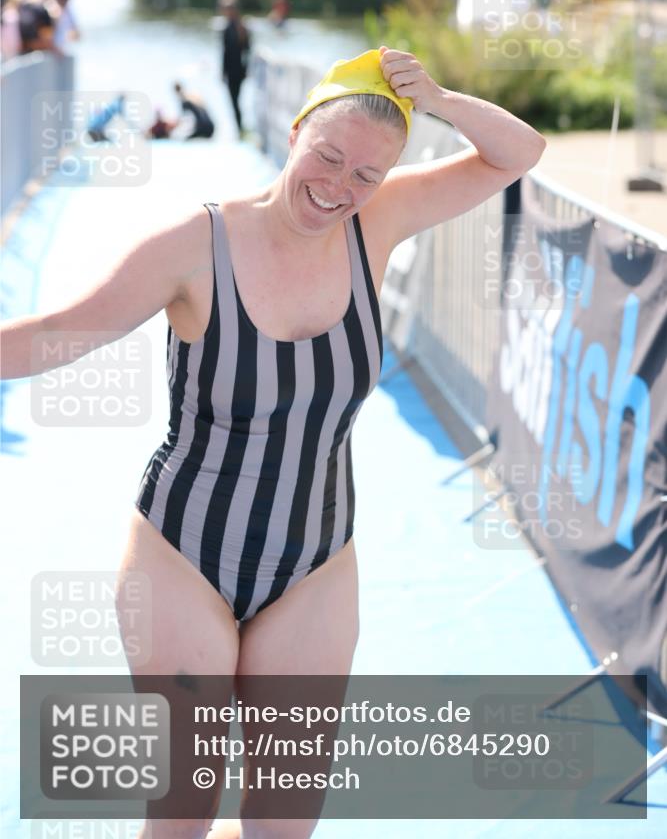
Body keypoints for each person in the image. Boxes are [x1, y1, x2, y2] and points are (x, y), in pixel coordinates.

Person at [0, 46, 546, 838]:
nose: (339, 186)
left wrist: (438, 99)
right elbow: (59, 332)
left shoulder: (377, 221)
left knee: (283, 822)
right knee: (183, 813)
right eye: (326, 157)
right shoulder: (195, 247)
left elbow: (517, 153)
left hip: (314, 565)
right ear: (293, 133)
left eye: (366, 173)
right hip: (183, 553)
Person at [217, 0, 251, 135]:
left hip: (236, 71)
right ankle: (240, 129)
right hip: (234, 70)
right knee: (235, 101)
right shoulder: (233, 27)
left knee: (235, 101)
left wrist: (245, 69)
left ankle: (240, 129)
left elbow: (246, 51)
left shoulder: (239, 28)